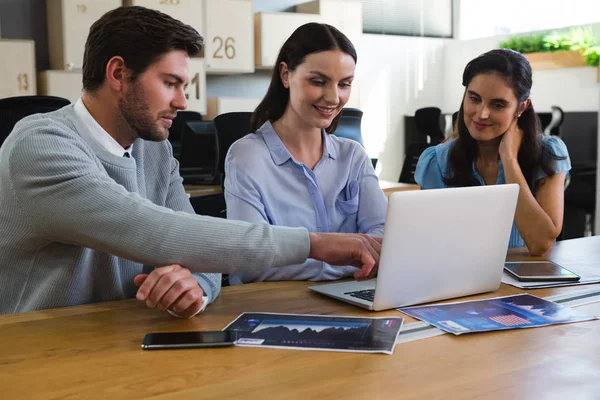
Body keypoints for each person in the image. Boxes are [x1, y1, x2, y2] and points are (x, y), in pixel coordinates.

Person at [0, 7, 382, 316]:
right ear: (118, 73)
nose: (183, 103)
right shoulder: (40, 145)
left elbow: (201, 252)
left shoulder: (155, 149)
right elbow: (153, 230)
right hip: (37, 351)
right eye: (170, 83)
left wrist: (193, 287)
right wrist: (315, 244)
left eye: (185, 86)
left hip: (123, 341)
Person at [224, 23, 387, 284]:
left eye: (344, 84)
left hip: (351, 301)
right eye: (318, 82)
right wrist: (350, 260)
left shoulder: (353, 156)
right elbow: (250, 263)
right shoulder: (247, 157)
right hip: (277, 307)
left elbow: (384, 240)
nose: (334, 97)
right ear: (286, 75)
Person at [415, 49, 570, 255]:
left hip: (527, 285)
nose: (482, 114)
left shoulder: (548, 154)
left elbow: (540, 242)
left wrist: (510, 160)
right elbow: (427, 245)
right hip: (460, 282)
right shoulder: (437, 161)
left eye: (497, 105)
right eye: (474, 99)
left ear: (521, 107)